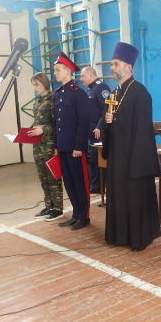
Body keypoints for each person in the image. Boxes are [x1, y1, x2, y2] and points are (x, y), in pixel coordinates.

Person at [103, 42, 160, 251]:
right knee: (118, 197)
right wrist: (108, 122)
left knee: (135, 198)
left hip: (134, 160)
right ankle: (119, 236)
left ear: (129, 66)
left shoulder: (140, 93)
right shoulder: (113, 94)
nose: (112, 68)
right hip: (117, 158)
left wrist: (137, 164)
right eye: (112, 64)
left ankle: (138, 238)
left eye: (116, 64)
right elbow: (112, 125)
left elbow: (144, 132)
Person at [53, 52, 91, 230]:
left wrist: (78, 146)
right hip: (63, 146)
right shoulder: (58, 93)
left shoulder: (78, 93)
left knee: (79, 182)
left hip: (75, 148)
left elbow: (83, 122)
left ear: (68, 71)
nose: (55, 73)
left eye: (58, 70)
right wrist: (57, 145)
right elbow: (57, 122)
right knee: (68, 182)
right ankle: (76, 214)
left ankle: (84, 216)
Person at [27, 72, 64, 221]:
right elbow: (38, 122)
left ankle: (58, 208)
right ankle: (49, 206)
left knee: (53, 177)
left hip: (49, 144)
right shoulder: (38, 101)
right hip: (38, 144)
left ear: (44, 84)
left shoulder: (53, 100)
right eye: (33, 85)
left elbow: (58, 124)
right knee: (43, 177)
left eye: (37, 85)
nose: (34, 88)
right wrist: (25, 132)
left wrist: (44, 130)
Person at [80, 66, 111, 194]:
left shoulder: (101, 87)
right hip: (90, 130)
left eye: (83, 76)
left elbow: (106, 109)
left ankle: (99, 186)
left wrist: (99, 126)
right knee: (92, 159)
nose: (81, 79)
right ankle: (95, 185)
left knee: (97, 158)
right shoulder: (90, 89)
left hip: (98, 131)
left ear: (91, 75)